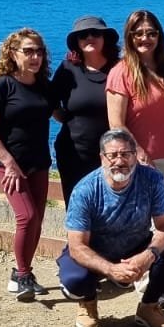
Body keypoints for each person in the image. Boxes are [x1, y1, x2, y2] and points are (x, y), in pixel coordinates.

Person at [58, 128, 164, 327]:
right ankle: (87, 303)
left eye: (126, 154)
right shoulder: (85, 190)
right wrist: (110, 269)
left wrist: (148, 255)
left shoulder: (153, 179)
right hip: (96, 249)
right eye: (113, 155)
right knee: (74, 282)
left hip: (137, 244)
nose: (120, 160)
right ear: (102, 158)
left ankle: (149, 306)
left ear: (135, 156)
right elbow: (77, 245)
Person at [0, 27, 55, 301]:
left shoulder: (44, 86)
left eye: (39, 51)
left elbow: (60, 113)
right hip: (10, 165)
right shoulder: (0, 87)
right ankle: (22, 275)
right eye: (28, 51)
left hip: (39, 162)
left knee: (37, 222)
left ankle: (22, 274)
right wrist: (9, 163)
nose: (35, 57)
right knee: (27, 217)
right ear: (12, 54)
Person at [105, 9, 164, 220]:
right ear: (129, 36)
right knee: (140, 224)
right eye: (138, 33)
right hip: (140, 163)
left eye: (151, 33)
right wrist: (139, 154)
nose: (145, 38)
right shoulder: (121, 72)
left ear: (159, 36)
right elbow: (116, 124)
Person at [51, 15, 119, 202]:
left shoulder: (119, 68)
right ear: (77, 42)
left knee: (110, 208)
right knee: (77, 209)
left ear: (105, 38)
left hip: (112, 155)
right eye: (83, 35)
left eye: (95, 33)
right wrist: (66, 119)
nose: (89, 37)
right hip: (73, 154)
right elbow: (51, 101)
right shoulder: (67, 69)